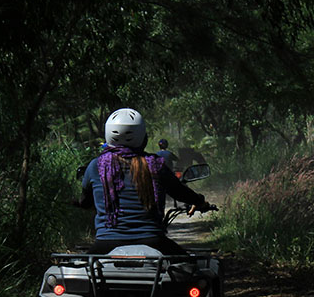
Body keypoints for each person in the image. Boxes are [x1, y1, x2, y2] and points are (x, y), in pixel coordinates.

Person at [76, 108, 212, 255]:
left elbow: (85, 201)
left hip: (105, 243)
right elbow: (181, 192)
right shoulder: (156, 165)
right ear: (143, 137)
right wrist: (199, 201)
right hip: (153, 241)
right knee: (191, 271)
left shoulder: (96, 165)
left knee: (85, 273)